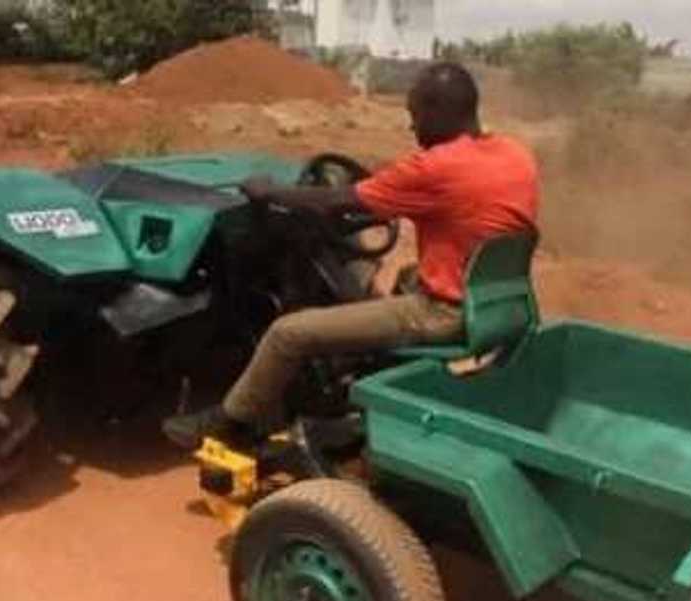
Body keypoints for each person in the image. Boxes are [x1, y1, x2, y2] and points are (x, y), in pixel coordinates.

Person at [162, 61, 540, 450]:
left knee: (287, 333)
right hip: (497, 303)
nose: (413, 128)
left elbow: (338, 201)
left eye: (415, 116)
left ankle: (230, 422)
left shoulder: (435, 168)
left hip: (444, 313)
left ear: (439, 112)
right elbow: (389, 197)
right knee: (405, 275)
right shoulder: (514, 154)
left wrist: (268, 193)